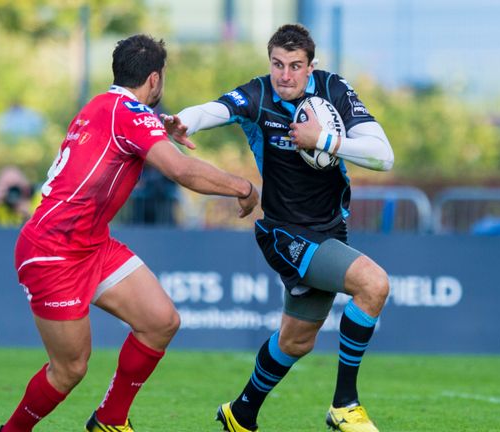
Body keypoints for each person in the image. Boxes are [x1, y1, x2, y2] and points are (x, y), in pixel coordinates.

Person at [0, 34, 259, 432]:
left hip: (90, 244)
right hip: (53, 251)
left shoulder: (105, 106)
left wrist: (157, 127)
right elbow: (183, 171)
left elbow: (129, 133)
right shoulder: (129, 114)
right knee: (69, 369)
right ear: (154, 79)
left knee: (160, 321)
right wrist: (243, 186)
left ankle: (109, 419)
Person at [164, 24, 394, 432]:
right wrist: (182, 121)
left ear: (311, 67)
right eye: (277, 64)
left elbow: (383, 156)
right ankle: (345, 404)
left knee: (296, 341)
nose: (285, 75)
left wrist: (325, 140)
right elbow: (214, 109)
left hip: (330, 231)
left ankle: (241, 412)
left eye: (295, 66)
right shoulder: (258, 95)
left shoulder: (334, 90)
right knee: (373, 284)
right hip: (286, 235)